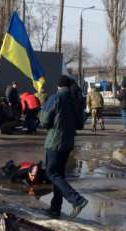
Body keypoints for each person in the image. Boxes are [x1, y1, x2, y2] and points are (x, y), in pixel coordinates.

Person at [40, 75, 88, 219]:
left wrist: (40, 111)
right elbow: (80, 124)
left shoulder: (55, 98)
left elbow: (44, 121)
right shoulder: (74, 101)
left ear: (58, 86)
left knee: (51, 173)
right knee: (58, 175)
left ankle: (77, 200)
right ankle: (55, 208)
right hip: (68, 143)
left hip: (54, 141)